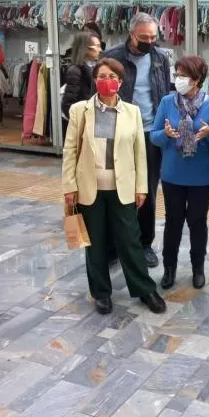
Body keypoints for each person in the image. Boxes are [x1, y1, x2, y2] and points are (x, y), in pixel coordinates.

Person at [62, 58, 167, 316]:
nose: (105, 81)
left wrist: (141, 187)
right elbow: (70, 150)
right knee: (94, 242)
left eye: (111, 76)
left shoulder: (132, 112)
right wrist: (69, 186)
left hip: (123, 187)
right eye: (101, 75)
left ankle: (144, 289)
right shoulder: (80, 110)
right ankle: (101, 293)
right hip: (89, 186)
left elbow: (139, 153)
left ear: (120, 82)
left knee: (130, 239)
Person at [150, 55, 209, 290]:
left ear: (197, 79)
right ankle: (169, 268)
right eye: (177, 74)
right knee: (173, 222)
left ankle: (198, 268)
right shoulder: (167, 102)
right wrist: (166, 135)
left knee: (197, 222)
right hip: (173, 174)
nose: (178, 79)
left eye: (183, 76)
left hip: (202, 176)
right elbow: (154, 136)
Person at [104, 13, 172, 268]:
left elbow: (165, 93)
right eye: (144, 37)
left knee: (147, 190)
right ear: (131, 33)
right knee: (114, 188)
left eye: (154, 37)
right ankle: (113, 244)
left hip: (150, 132)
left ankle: (144, 243)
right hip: (119, 131)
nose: (149, 41)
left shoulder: (160, 58)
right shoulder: (112, 57)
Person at [61, 32, 103, 139]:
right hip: (83, 125)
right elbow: (68, 104)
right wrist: (81, 122)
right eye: (97, 46)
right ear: (86, 49)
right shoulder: (75, 71)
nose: (100, 50)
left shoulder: (94, 68)